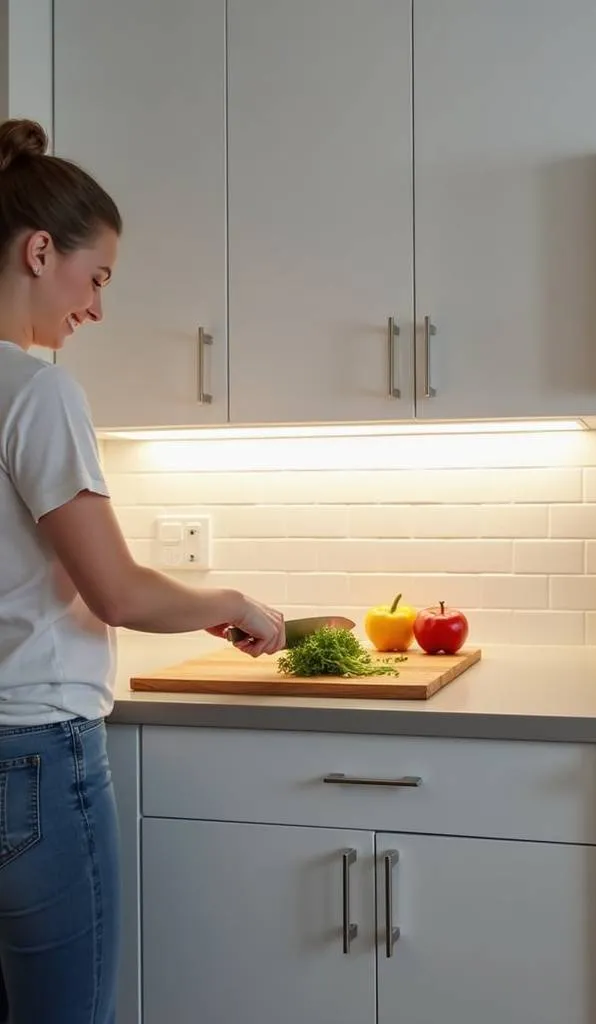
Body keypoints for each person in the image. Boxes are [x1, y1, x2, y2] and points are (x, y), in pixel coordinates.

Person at [0, 118, 285, 1024]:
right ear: (41, 251)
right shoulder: (37, 394)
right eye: (99, 276)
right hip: (32, 757)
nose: (97, 307)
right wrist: (228, 601)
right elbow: (115, 592)